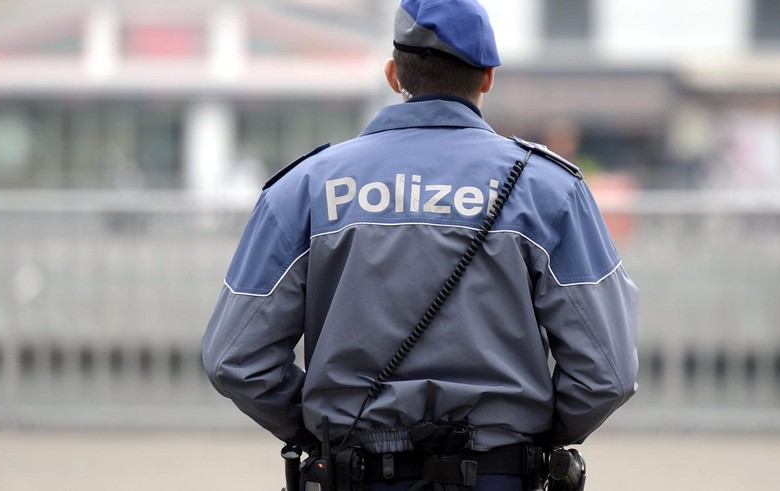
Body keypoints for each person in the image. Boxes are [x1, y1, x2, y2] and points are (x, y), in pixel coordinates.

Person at [202, 0, 639, 489]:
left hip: (356, 476)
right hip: (500, 476)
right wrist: (529, 437)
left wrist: (316, 427)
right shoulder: (549, 190)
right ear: (488, 77)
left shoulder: (305, 188)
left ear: (394, 74)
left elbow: (234, 358)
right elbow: (608, 371)